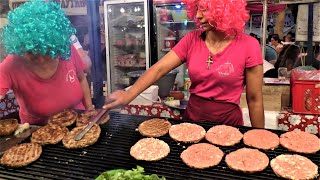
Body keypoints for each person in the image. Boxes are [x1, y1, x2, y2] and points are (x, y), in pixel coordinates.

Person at [104, 0, 265, 128]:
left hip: (229, 125)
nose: (198, 16)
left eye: (205, 9)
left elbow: (254, 99)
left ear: (224, 10)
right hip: (192, 121)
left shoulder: (248, 45)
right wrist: (128, 95)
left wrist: (260, 137)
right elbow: (158, 69)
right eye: (196, 9)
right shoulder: (191, 39)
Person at [0, 0, 93, 125]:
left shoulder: (66, 49)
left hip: (78, 123)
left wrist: (89, 109)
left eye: (47, 52)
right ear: (21, 46)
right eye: (32, 53)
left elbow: (81, 79)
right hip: (39, 131)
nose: (41, 59)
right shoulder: (11, 64)